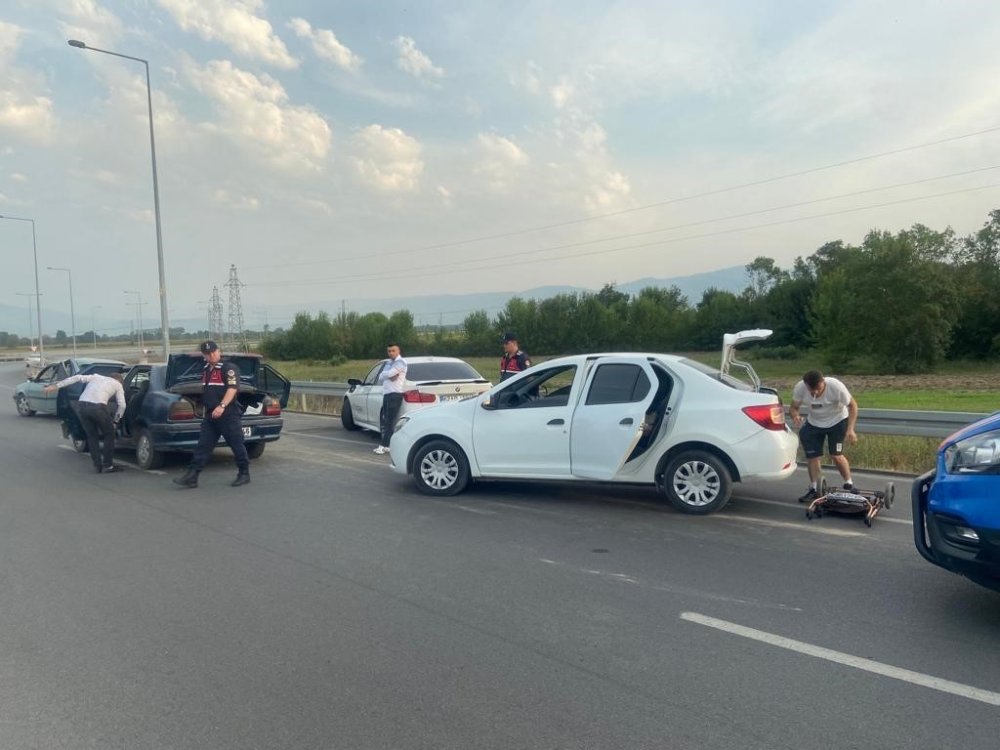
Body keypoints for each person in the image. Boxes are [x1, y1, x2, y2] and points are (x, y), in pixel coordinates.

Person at [173, 340, 250, 488]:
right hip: (210, 415)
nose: (212, 355)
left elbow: (232, 389)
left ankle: (244, 473)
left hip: (227, 413)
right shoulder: (206, 370)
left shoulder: (228, 368)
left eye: (214, 352)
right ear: (204, 356)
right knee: (203, 445)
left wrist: (222, 406)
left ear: (218, 351)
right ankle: (192, 476)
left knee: (236, 443)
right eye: (208, 354)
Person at [790, 369, 859, 503]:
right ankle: (815, 488)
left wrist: (850, 429)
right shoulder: (800, 388)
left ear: (823, 382)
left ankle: (849, 483)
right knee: (813, 457)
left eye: (818, 388)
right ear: (806, 385)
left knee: (836, 455)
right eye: (811, 390)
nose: (815, 392)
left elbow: (853, 406)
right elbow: (793, 408)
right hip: (814, 423)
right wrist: (795, 416)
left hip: (837, 421)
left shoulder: (835, 386)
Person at [44, 371, 126, 473]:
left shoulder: (96, 377)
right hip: (98, 407)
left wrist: (56, 386)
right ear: (120, 381)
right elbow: (122, 405)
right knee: (109, 434)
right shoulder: (117, 384)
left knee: (92, 436)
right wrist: (115, 421)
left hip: (82, 406)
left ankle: (97, 465)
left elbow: (77, 377)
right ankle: (108, 465)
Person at [374, 343, 407, 455]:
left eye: (393, 351)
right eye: (389, 351)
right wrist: (388, 375)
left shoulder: (401, 362)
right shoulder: (389, 362)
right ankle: (388, 445)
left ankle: (383, 446)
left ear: (398, 351)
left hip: (395, 395)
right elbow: (380, 377)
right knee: (386, 420)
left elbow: (391, 374)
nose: (391, 353)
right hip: (387, 394)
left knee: (389, 421)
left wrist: (388, 374)